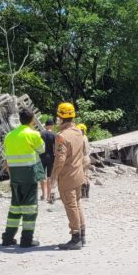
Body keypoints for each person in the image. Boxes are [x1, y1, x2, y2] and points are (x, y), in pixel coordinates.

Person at [1, 109, 46, 248]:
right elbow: (42, 149)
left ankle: (8, 238)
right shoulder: (33, 134)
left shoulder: (9, 135)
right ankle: (26, 239)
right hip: (29, 174)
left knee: (15, 207)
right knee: (30, 207)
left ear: (19, 119)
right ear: (32, 119)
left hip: (14, 175)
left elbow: (5, 156)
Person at [51, 102, 88, 250]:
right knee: (77, 204)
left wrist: (53, 177)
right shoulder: (79, 131)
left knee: (71, 206)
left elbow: (60, 160)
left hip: (67, 177)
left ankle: (75, 237)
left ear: (60, 118)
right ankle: (82, 235)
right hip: (78, 175)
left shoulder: (61, 137)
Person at [39, 117, 56, 202]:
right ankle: (49, 195)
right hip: (51, 156)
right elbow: (55, 148)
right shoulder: (54, 135)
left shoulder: (41, 134)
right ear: (52, 126)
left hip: (42, 156)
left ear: (45, 126)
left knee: (42, 176)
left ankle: (43, 195)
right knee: (49, 176)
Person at [77, 123, 91, 199]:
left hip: (82, 158)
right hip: (87, 158)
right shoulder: (85, 137)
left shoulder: (80, 138)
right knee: (86, 175)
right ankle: (87, 194)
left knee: (82, 176)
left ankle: (83, 194)